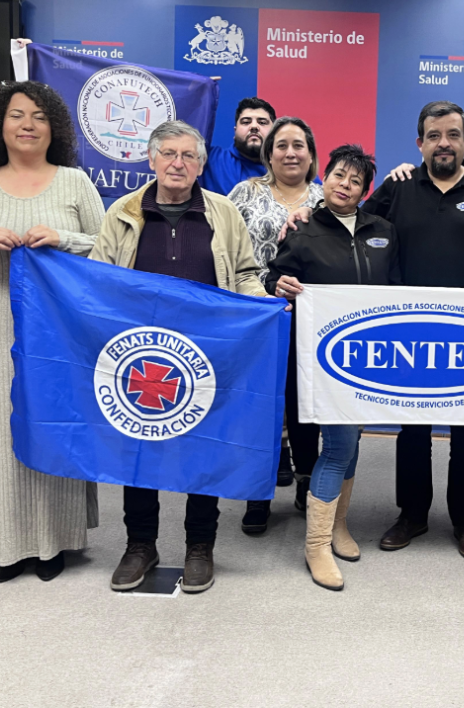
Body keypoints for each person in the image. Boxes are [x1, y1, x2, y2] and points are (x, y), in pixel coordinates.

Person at [286, 101, 464, 561]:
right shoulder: (399, 187)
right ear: (420, 143)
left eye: (453, 134)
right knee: (411, 428)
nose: (444, 143)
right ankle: (411, 513)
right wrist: (305, 217)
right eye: (434, 135)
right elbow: (349, 223)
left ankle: (463, 519)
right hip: (406, 330)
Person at [89, 119, 268, 595]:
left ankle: (199, 546)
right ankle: (140, 545)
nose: (178, 163)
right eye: (169, 153)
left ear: (200, 165)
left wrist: (262, 303)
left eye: (189, 156)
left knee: (203, 449)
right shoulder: (121, 213)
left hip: (205, 355)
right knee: (140, 448)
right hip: (139, 357)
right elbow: (99, 281)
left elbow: (246, 272)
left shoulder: (223, 212)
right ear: (150, 159)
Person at [0, 81, 105, 583]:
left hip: (59, 328)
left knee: (52, 421)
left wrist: (64, 238)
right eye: (16, 115)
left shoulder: (75, 182)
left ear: (53, 127)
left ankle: (54, 540)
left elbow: (108, 246)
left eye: (38, 116)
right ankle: (6, 543)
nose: (27, 124)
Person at [265, 144, 400, 590]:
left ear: (366, 189)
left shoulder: (383, 229)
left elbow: (396, 287)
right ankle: (317, 544)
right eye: (339, 175)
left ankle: (339, 526)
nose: (345, 185)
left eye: (356, 180)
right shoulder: (303, 229)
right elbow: (274, 276)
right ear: (326, 177)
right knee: (339, 445)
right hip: (324, 359)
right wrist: (276, 283)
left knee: (353, 440)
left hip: (370, 357)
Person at [228, 117, 324, 532]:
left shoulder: (326, 198)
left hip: (311, 318)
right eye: (281, 145)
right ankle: (257, 492)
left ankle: (306, 481)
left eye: (298, 145)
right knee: (259, 407)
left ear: (312, 154)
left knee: (304, 408)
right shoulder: (244, 194)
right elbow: (226, 248)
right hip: (256, 316)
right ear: (268, 154)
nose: (290, 152)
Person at [199, 97, 277, 195]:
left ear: (274, 132)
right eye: (246, 122)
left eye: (262, 122)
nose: (254, 126)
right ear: (235, 131)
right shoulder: (209, 159)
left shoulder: (285, 168)